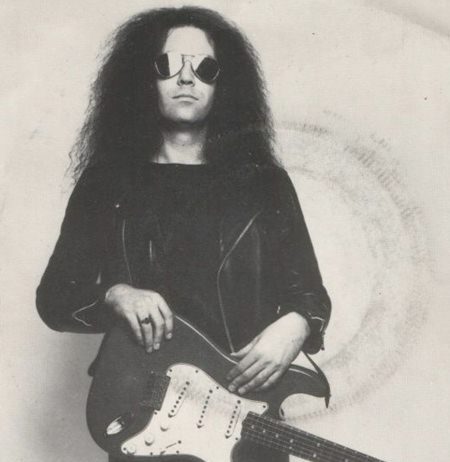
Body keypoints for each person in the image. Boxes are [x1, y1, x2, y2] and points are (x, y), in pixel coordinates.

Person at [36, 6, 331, 462]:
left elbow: (310, 294)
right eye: (168, 65)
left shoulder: (265, 183)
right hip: (147, 418)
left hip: (243, 417)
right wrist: (116, 294)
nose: (187, 78)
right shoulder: (105, 183)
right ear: (143, 78)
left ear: (224, 83)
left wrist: (296, 326)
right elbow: (55, 298)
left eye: (205, 68)